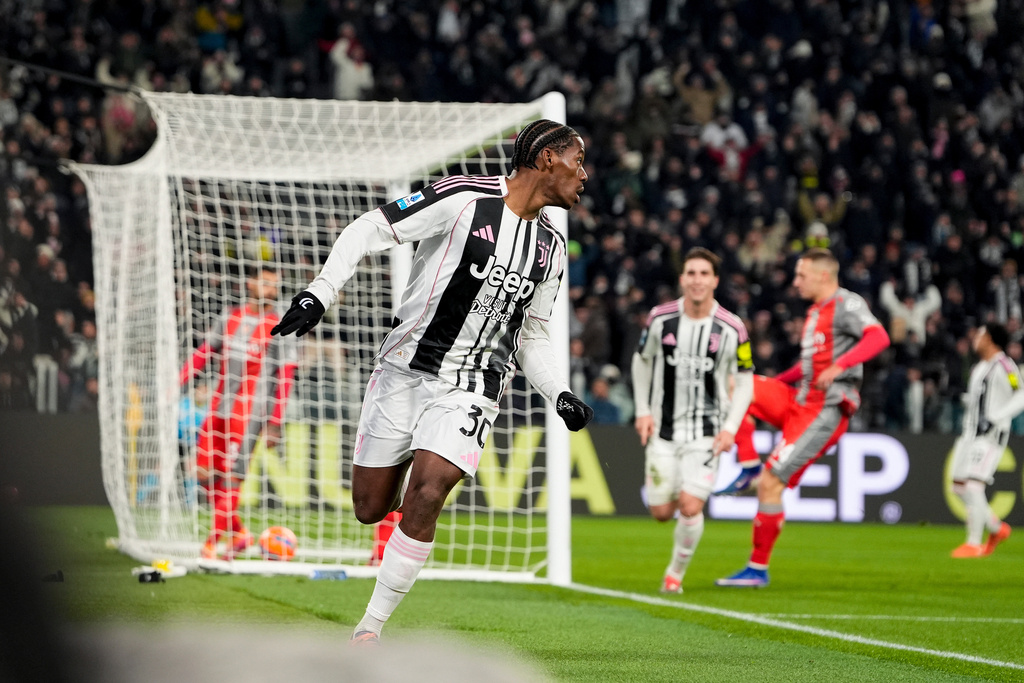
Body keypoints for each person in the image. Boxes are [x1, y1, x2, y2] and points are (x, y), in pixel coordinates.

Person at [271, 119, 594, 643]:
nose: (585, 175)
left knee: (429, 492)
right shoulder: (464, 197)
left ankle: (369, 630)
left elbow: (532, 336)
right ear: (547, 160)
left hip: (474, 384)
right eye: (578, 161)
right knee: (369, 508)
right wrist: (321, 293)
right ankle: (398, 512)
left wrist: (559, 393)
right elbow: (367, 228)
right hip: (403, 370)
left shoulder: (551, 250)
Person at [715, 248, 890, 587]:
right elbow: (809, 367)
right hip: (799, 399)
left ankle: (757, 569)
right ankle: (748, 464)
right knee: (737, 383)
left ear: (823, 275)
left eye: (801, 275)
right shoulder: (815, 312)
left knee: (771, 483)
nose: (795, 282)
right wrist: (776, 382)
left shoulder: (846, 303)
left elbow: (879, 336)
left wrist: (841, 367)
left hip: (824, 409)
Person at [632, 247, 754, 594]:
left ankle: (675, 574)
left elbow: (745, 380)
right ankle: (676, 515)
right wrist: (642, 410)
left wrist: (731, 427)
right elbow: (641, 361)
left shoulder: (732, 327)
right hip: (664, 429)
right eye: (691, 273)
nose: (697, 280)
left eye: (704, 274)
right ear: (682, 279)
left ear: (715, 280)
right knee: (660, 511)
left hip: (707, 432)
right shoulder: (660, 318)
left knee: (689, 505)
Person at [179, 265, 298, 560]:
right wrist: (178, 382)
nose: (271, 289)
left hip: (250, 414)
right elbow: (204, 352)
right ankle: (240, 534)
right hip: (219, 406)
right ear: (250, 284)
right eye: (265, 283)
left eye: (274, 285)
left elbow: (285, 376)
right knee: (201, 471)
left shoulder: (280, 324)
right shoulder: (230, 317)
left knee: (232, 477)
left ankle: (212, 544)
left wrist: (274, 422)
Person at [947, 323, 1015, 557]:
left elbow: (1021, 392)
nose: (976, 337)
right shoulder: (980, 367)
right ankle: (996, 528)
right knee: (958, 487)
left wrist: (999, 415)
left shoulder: (1004, 365)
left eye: (981, 334)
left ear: (992, 339)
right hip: (969, 435)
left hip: (989, 437)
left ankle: (974, 543)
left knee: (974, 486)